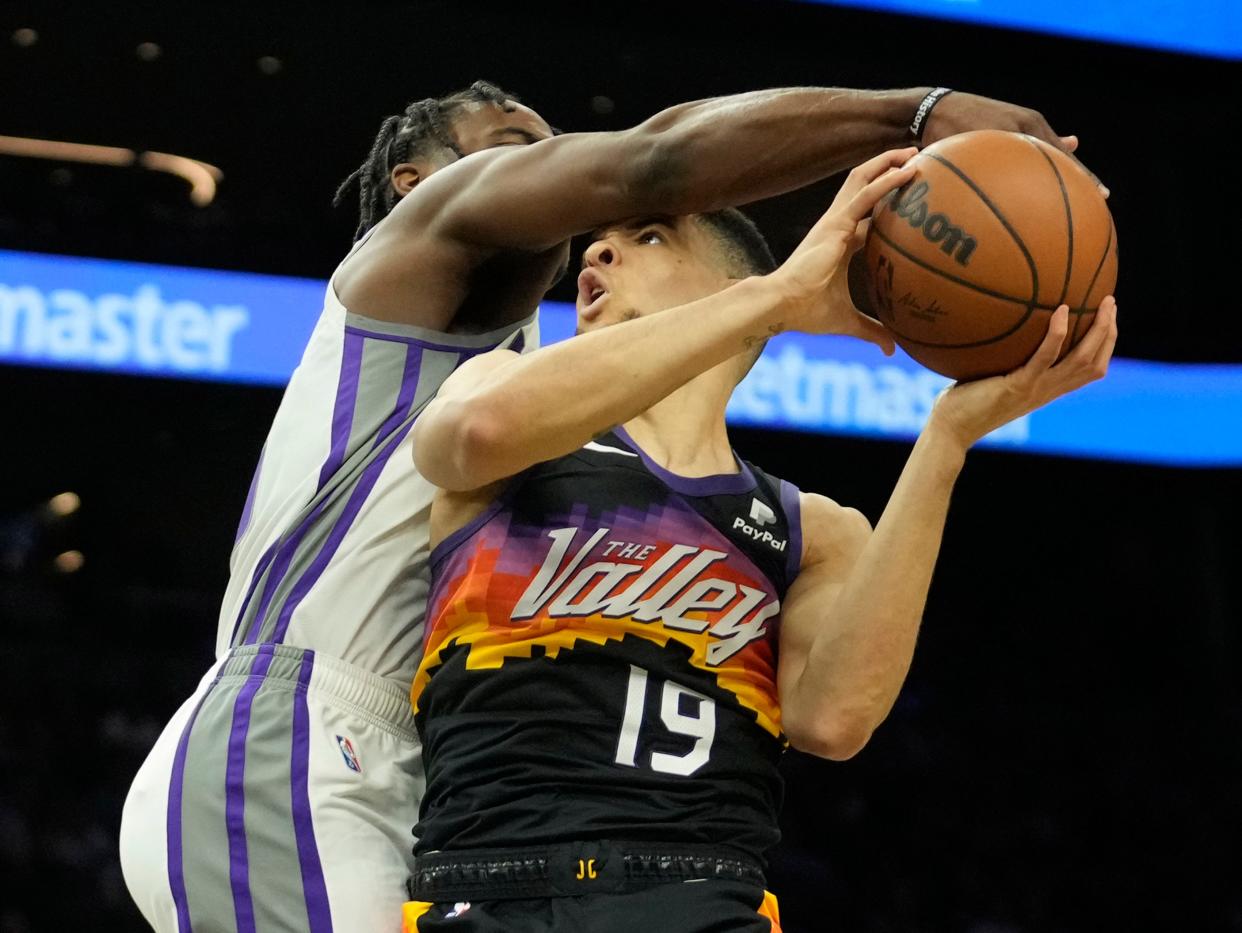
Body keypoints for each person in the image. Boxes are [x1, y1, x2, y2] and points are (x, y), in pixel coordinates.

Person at [119, 77, 1094, 933]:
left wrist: (941, 418)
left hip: (438, 792)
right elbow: (653, 164)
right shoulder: (432, 277)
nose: (558, 175)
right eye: (519, 148)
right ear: (422, 182)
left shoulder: (581, 406)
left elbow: (833, 714)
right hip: (303, 734)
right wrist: (907, 114)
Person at [401, 149, 1118, 932]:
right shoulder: (502, 402)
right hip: (494, 879)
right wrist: (777, 297)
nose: (595, 251)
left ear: (726, 288)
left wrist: (947, 437)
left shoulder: (809, 530)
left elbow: (833, 719)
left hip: (704, 892)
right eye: (599, 239)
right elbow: (474, 431)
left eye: (648, 237)